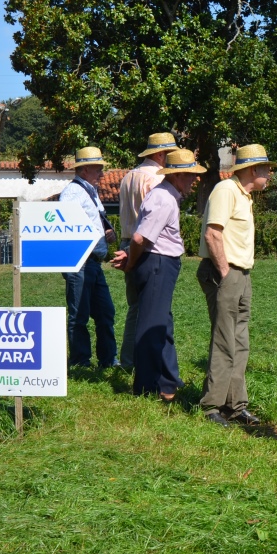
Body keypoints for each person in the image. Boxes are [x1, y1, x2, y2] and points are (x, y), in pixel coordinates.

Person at [111, 149, 204, 401]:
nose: (194, 180)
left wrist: (130, 256)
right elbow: (141, 237)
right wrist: (131, 260)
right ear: (177, 175)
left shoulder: (165, 195)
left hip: (159, 262)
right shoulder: (163, 198)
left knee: (159, 322)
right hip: (158, 263)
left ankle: (164, 380)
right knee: (151, 326)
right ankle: (146, 387)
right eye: (190, 175)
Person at [197, 144, 275, 427]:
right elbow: (212, 234)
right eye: (267, 169)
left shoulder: (243, 195)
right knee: (224, 339)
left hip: (241, 273)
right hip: (225, 272)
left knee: (240, 340)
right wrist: (226, 272)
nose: (269, 174)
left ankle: (234, 405)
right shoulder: (226, 190)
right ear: (252, 169)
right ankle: (211, 406)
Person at [117, 131, 181, 370]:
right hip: (147, 245)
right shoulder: (156, 180)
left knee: (135, 305)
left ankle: (128, 360)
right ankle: (139, 362)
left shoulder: (128, 176)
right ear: (162, 154)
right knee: (151, 307)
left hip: (127, 240)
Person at [59, 146, 118, 368]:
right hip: (81, 261)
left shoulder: (90, 191)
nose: (102, 174)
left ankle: (106, 358)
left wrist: (107, 232)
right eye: (97, 169)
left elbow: (96, 220)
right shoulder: (73, 193)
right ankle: (81, 360)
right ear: (84, 170)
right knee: (80, 314)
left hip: (92, 262)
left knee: (104, 312)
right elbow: (66, 224)